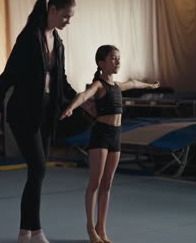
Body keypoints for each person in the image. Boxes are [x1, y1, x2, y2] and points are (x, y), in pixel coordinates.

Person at [0, 0, 86, 243]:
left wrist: (83, 100)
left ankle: (31, 232)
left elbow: (61, 81)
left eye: (71, 17)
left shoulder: (59, 42)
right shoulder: (29, 38)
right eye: (66, 16)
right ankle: (29, 232)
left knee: (38, 173)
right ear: (52, 10)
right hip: (23, 112)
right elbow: (7, 75)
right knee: (39, 168)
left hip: (46, 114)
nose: (69, 21)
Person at [60, 45, 160, 243]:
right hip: (101, 135)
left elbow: (133, 83)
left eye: (119, 58)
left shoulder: (117, 86)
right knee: (95, 183)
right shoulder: (99, 85)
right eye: (113, 58)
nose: (117, 61)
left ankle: (101, 228)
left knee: (107, 184)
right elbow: (84, 95)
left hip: (116, 134)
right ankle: (90, 228)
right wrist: (71, 107)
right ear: (101, 63)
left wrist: (149, 86)